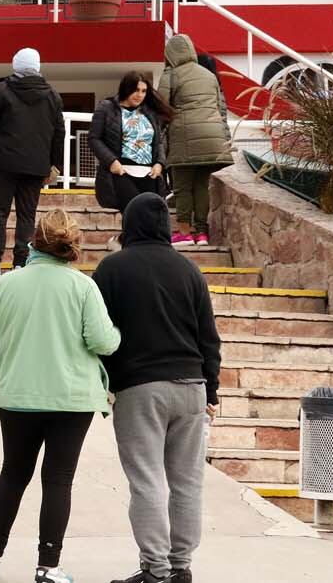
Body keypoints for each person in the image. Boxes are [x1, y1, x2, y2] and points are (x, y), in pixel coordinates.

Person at [0, 210, 121, 583]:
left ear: (32, 243)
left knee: (13, 473)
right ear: (71, 247)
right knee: (58, 480)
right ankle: (48, 567)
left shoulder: (6, 285)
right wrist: (118, 333)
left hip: (16, 397)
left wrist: (1, 379)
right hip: (72, 401)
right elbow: (103, 341)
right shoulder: (83, 287)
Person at [93, 193, 221, 583]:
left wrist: (106, 382)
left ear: (128, 225)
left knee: (147, 480)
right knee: (187, 481)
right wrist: (211, 391)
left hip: (140, 387)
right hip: (191, 386)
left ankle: (156, 570)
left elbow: (98, 334)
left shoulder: (112, 270)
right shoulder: (189, 271)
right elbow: (208, 339)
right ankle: (181, 566)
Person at [0, 48, 63, 284]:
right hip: (36, 167)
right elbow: (59, 133)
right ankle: (20, 265)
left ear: (15, 65)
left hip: (2, 164)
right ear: (38, 66)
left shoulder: (1, 91)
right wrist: (53, 164)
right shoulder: (52, 95)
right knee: (26, 217)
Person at [159, 35, 233, 246]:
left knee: (182, 187)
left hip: (185, 137)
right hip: (213, 138)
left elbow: (161, 108)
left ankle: (184, 232)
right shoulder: (209, 75)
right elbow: (221, 108)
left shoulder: (171, 74)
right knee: (201, 186)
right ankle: (201, 233)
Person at [90, 72, 171, 213]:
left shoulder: (149, 113)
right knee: (134, 214)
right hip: (122, 173)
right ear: (126, 88)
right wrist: (111, 162)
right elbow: (94, 139)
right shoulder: (106, 108)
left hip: (149, 175)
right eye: (136, 90)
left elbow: (158, 143)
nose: (140, 95)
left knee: (150, 217)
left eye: (143, 91)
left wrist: (160, 163)